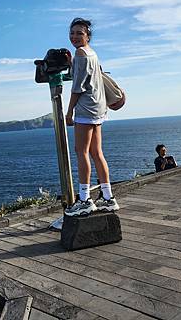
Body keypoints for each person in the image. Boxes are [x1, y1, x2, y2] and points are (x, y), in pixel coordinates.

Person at [64, 17, 119, 216]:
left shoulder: (80, 53)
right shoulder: (91, 53)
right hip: (98, 107)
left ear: (88, 36)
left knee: (82, 152)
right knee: (97, 152)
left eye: (80, 33)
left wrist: (69, 112)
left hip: (85, 109)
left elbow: (77, 87)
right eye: (72, 33)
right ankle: (107, 197)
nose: (75, 37)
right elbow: (86, 75)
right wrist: (72, 64)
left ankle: (85, 200)